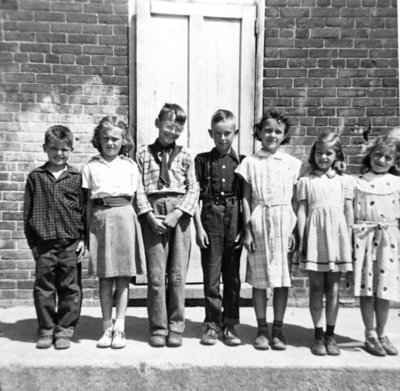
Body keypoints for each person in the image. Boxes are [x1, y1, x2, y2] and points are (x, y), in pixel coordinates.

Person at [235, 111, 302, 350]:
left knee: (282, 280)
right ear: (259, 133)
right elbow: (244, 198)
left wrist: (294, 231)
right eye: (268, 130)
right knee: (260, 280)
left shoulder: (293, 164)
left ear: (284, 136)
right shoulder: (250, 162)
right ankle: (261, 328)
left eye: (278, 131)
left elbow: (296, 201)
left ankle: (278, 329)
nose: (272, 135)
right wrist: (247, 229)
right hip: (260, 220)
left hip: (284, 221)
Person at [136, 103, 199, 348]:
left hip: (178, 213)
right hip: (153, 211)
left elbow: (194, 188)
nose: (172, 132)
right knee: (155, 276)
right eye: (168, 126)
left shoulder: (186, 155)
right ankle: (158, 327)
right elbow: (138, 187)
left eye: (178, 128)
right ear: (157, 123)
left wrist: (178, 213)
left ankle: (176, 326)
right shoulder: (142, 154)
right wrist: (148, 215)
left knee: (176, 276)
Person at [82, 116, 145, 349]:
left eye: (115, 139)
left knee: (123, 276)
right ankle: (106, 327)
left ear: (123, 140)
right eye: (106, 138)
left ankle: (120, 327)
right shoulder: (90, 166)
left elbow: (138, 199)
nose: (110, 143)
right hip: (100, 220)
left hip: (125, 217)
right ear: (99, 140)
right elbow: (88, 203)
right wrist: (88, 232)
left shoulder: (130, 166)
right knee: (105, 278)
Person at [23, 125, 85, 350]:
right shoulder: (36, 177)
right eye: (54, 149)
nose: (59, 153)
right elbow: (27, 213)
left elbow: (83, 210)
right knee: (44, 288)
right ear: (45, 149)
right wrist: (33, 244)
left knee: (71, 288)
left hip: (70, 243)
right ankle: (47, 329)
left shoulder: (77, 177)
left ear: (71, 150)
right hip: (44, 243)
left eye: (65, 149)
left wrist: (83, 239)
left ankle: (64, 330)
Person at [296, 131, 353, 356]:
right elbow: (301, 211)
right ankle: (318, 334)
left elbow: (348, 211)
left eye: (328, 153)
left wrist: (347, 241)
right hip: (315, 237)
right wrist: (302, 239)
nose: (323, 157)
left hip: (337, 239)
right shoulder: (306, 181)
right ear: (314, 154)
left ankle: (331, 335)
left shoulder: (344, 181)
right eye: (319, 152)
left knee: (334, 289)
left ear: (337, 155)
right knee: (317, 287)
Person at [194, 109, 244, 346]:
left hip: (234, 217)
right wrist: (198, 228)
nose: (223, 138)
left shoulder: (244, 162)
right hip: (211, 217)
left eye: (227, 133)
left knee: (232, 277)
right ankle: (212, 324)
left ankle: (230, 324)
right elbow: (195, 197)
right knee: (212, 275)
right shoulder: (202, 161)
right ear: (210, 134)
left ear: (235, 132)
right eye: (217, 134)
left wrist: (244, 229)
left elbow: (247, 199)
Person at [351, 135, 400, 357]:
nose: (381, 160)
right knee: (367, 288)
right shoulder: (358, 181)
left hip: (388, 240)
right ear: (370, 155)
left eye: (387, 157)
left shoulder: (397, 183)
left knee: (384, 289)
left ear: (394, 161)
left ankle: (382, 333)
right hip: (364, 239)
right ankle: (370, 333)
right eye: (377, 155)